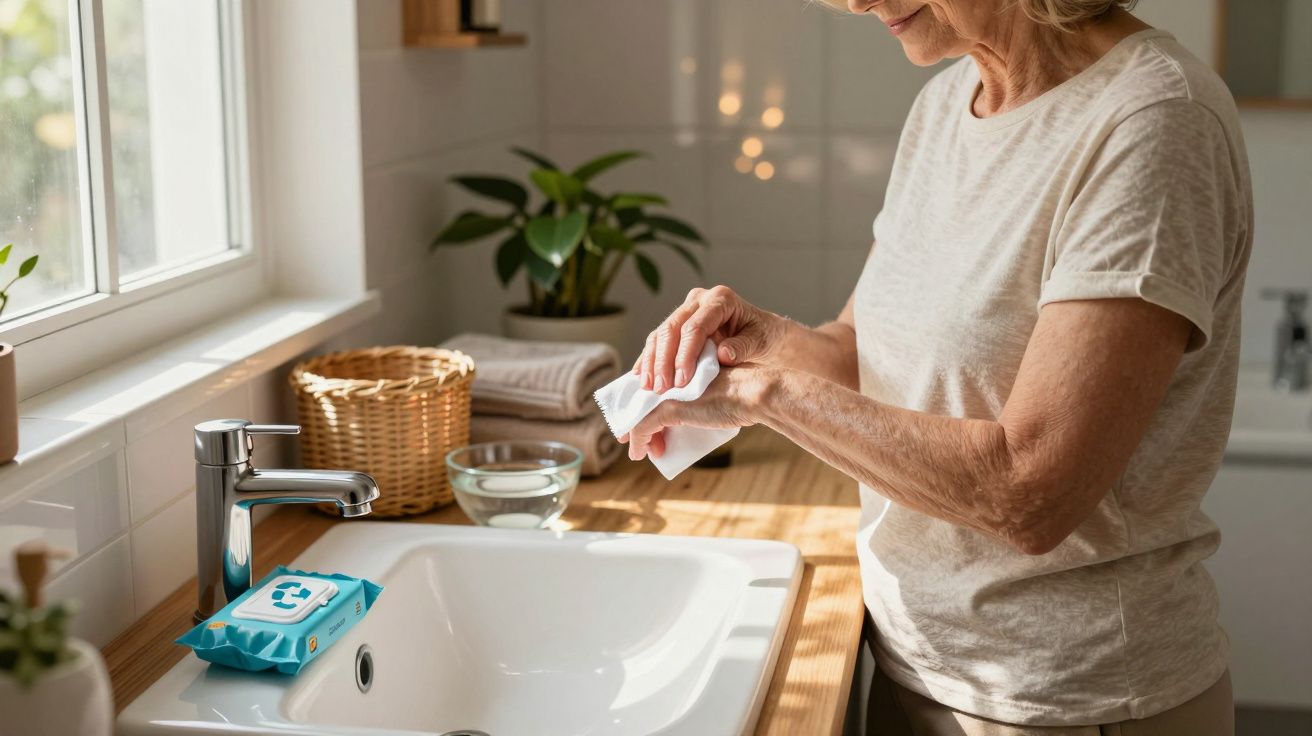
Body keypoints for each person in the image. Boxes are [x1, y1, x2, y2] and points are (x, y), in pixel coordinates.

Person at [618, 1, 1252, 733]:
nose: (856, 2)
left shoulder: (1154, 118)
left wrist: (765, 394)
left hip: (1071, 700)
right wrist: (763, 340)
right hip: (916, 668)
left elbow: (1031, 491)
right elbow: (863, 360)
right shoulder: (947, 103)